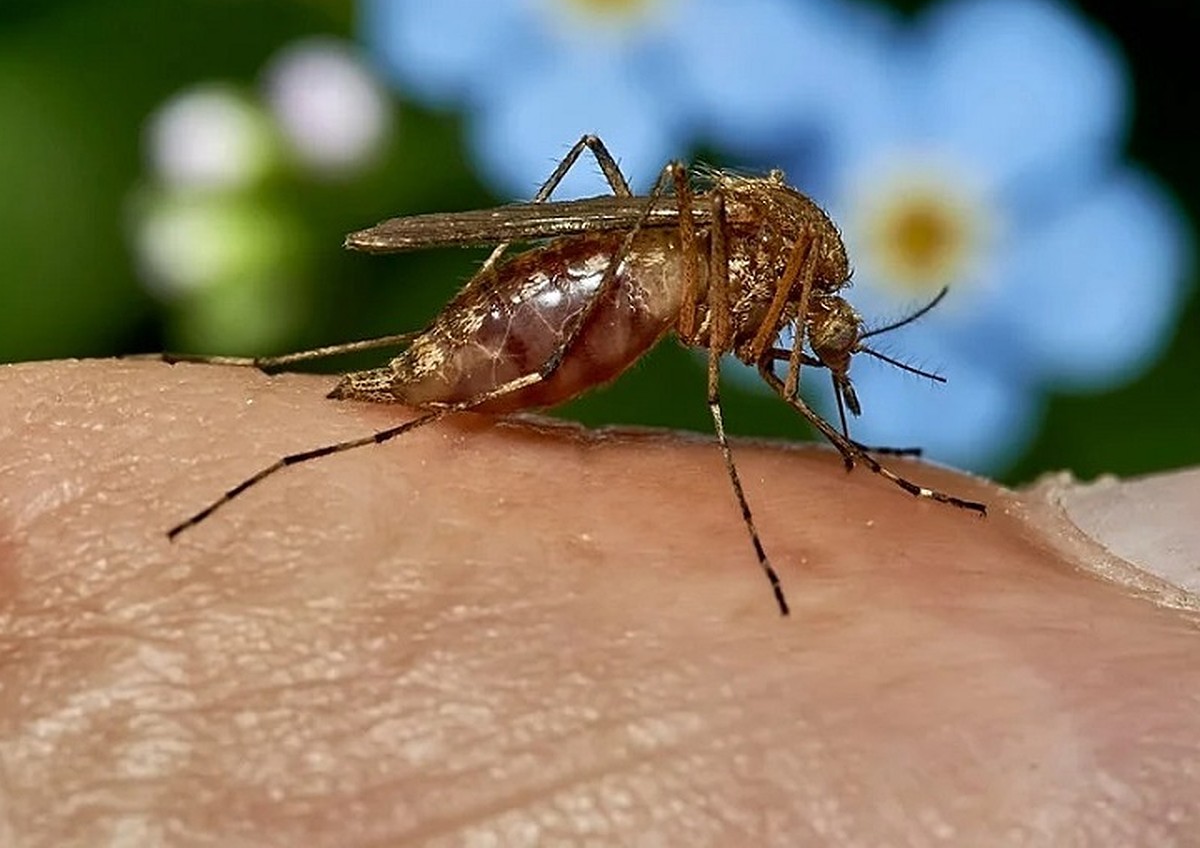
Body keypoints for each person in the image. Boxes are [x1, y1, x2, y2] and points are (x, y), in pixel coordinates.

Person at [3, 358, 1197, 844]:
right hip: (596, 281)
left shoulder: (778, 277)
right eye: (828, 338)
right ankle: (308, 425)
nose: (825, 352)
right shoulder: (747, 260)